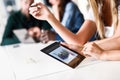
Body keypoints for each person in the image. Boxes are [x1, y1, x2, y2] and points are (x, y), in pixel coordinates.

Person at [29, 0, 120, 61]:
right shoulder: (97, 7)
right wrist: (49, 17)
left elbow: (117, 40)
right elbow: (78, 41)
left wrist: (82, 48)